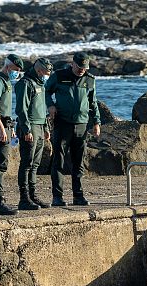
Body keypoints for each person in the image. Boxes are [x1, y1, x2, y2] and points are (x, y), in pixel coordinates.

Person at [45, 51, 101, 207]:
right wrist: (50, 105)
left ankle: (78, 196)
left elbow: (93, 102)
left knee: (78, 162)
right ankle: (57, 197)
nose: (82, 69)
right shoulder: (59, 75)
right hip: (62, 123)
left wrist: (96, 123)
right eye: (80, 67)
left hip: (81, 125)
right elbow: (46, 91)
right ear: (72, 64)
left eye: (85, 67)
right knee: (59, 161)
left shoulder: (90, 80)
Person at [0, 53, 24, 215]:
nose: (17, 73)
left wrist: (10, 127)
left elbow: (4, 108)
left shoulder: (7, 81)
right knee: (0, 164)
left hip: (5, 123)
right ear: (7, 67)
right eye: (15, 70)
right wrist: (1, 128)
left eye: (19, 71)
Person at [15, 57, 53, 210]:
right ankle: (24, 198)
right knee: (26, 163)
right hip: (29, 127)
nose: (48, 75)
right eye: (46, 72)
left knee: (35, 164)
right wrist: (26, 129)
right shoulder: (25, 84)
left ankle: (33, 195)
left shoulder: (40, 84)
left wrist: (46, 128)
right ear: (38, 70)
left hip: (39, 126)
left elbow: (42, 108)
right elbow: (21, 109)